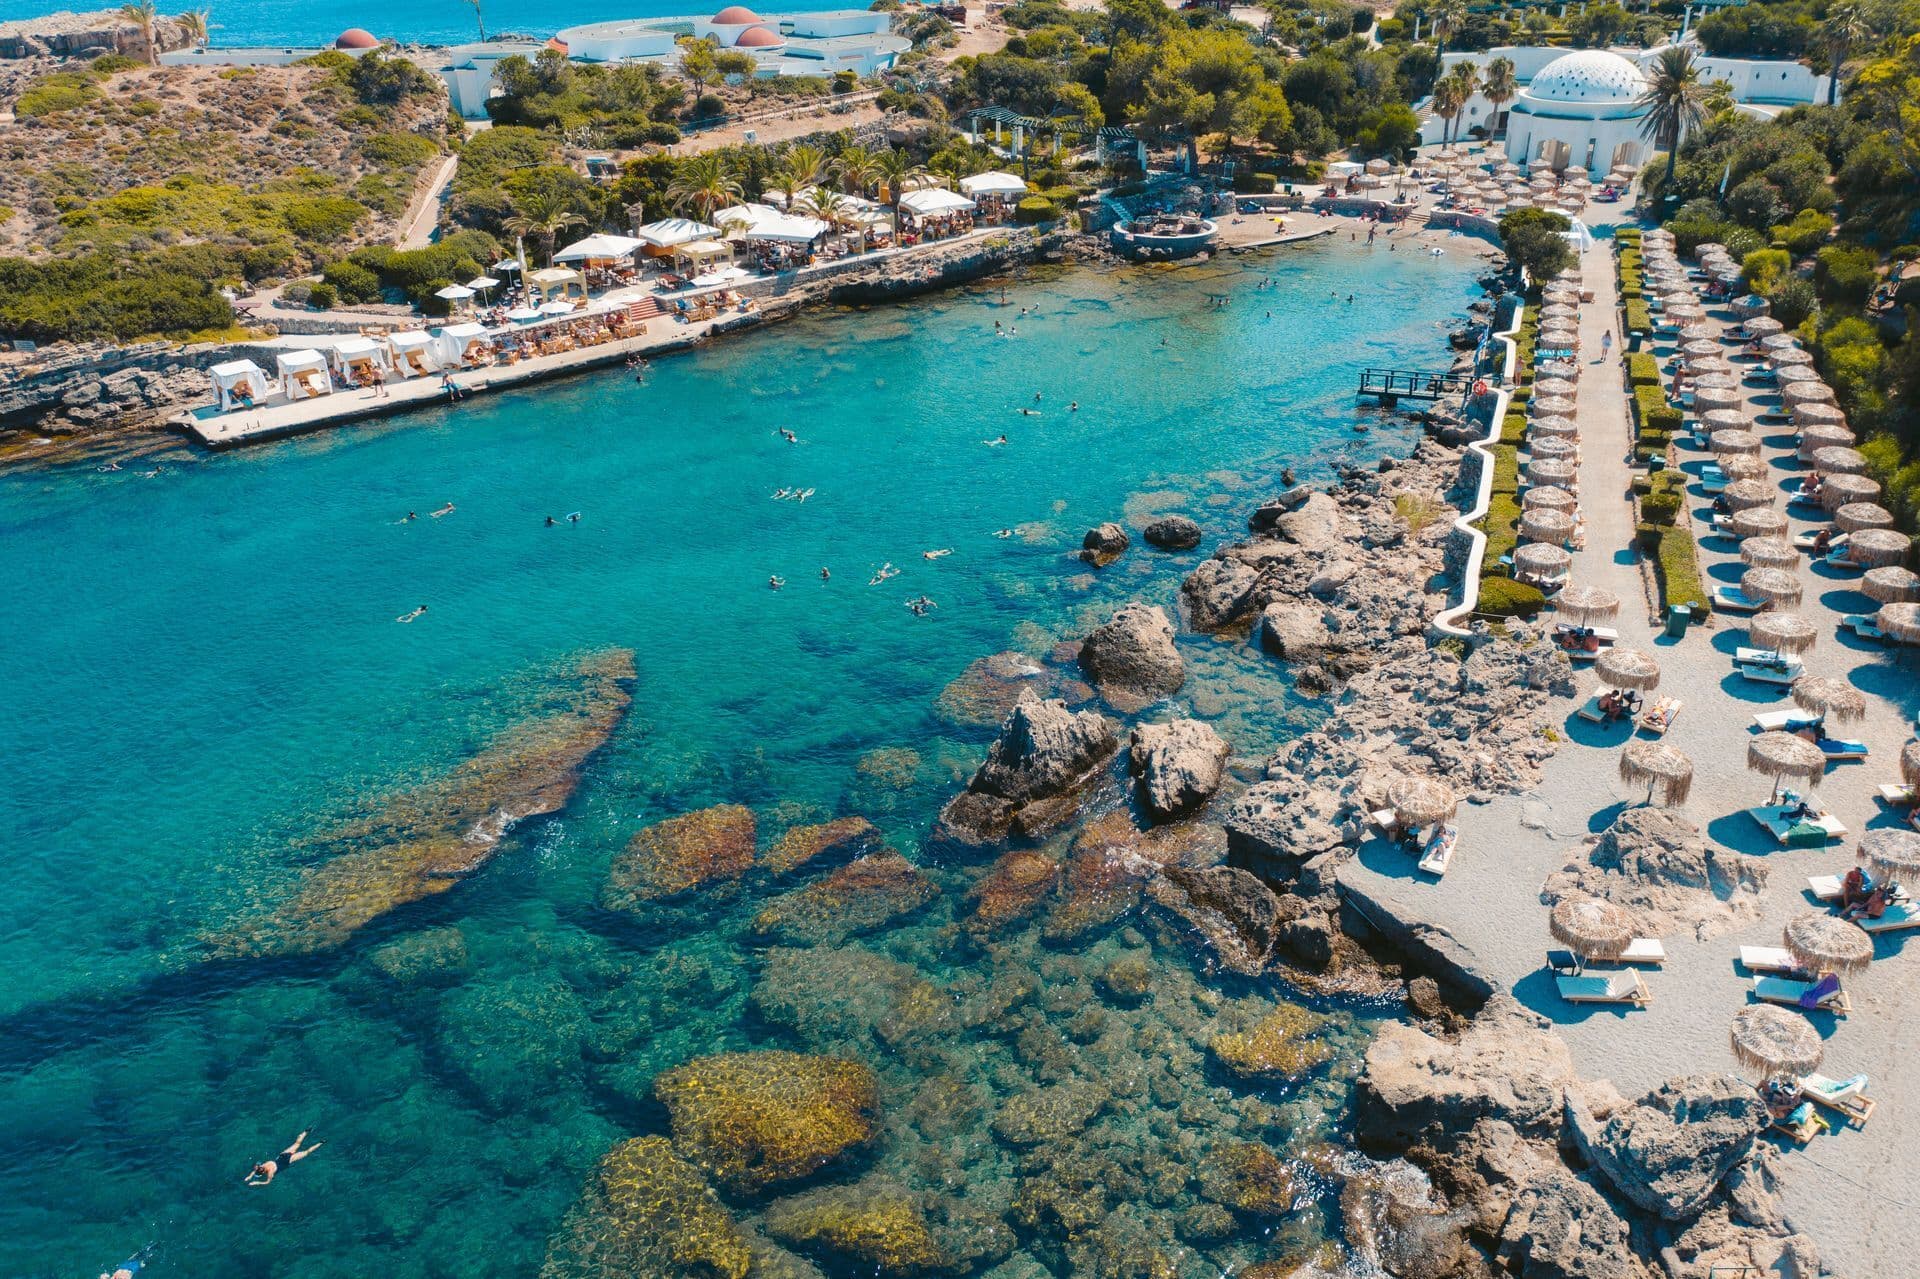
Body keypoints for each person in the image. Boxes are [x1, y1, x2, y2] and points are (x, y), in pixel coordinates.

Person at [247, 1132, 322, 1185]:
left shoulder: (270, 1173)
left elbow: (267, 1182)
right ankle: (306, 1131)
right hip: (283, 1155)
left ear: (263, 1172)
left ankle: (321, 1142)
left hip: (288, 1160)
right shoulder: (262, 1165)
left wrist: (257, 1182)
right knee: (297, 1144)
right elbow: (255, 1171)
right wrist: (250, 1176)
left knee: (306, 1152)